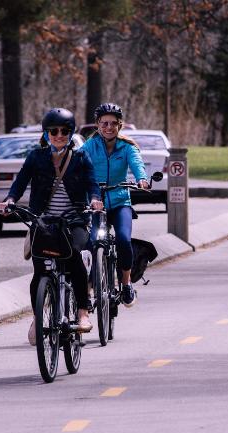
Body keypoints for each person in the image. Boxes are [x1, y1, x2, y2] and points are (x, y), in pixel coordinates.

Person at [0, 108, 102, 345]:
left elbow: (92, 183)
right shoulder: (36, 157)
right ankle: (37, 316)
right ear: (46, 134)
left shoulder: (80, 158)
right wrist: (10, 201)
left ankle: (83, 313)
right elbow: (20, 183)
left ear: (71, 133)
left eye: (64, 131)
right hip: (43, 222)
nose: (59, 135)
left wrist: (95, 199)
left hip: (74, 219)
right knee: (40, 272)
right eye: (53, 131)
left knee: (74, 257)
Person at [81, 103, 148, 308]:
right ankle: (89, 287)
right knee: (91, 242)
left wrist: (142, 179)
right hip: (95, 204)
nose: (108, 127)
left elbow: (137, 164)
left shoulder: (127, 147)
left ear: (120, 125)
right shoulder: (89, 147)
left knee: (123, 240)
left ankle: (126, 284)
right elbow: (77, 164)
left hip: (120, 202)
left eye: (113, 123)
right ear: (97, 125)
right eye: (104, 123)